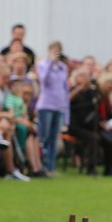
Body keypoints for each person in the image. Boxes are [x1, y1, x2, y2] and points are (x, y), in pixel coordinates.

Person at [34, 41, 69, 175]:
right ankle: (41, 165)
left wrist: (66, 111)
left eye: (57, 50)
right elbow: (44, 81)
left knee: (54, 138)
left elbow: (64, 89)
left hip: (59, 106)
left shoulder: (63, 68)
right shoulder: (43, 65)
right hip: (46, 105)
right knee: (44, 137)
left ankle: (51, 166)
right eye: (53, 50)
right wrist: (50, 63)